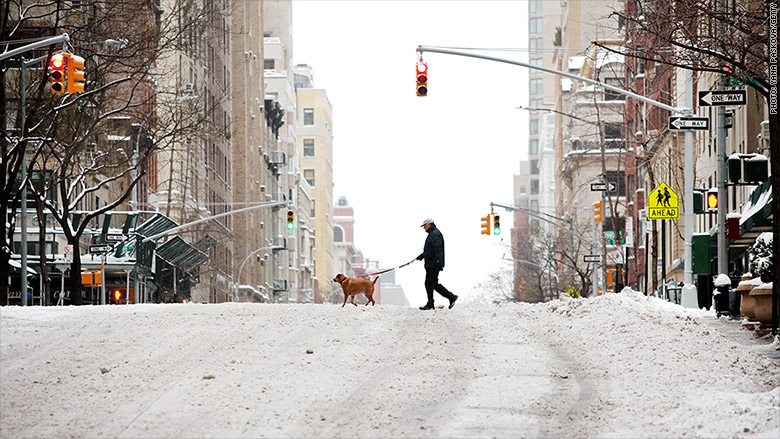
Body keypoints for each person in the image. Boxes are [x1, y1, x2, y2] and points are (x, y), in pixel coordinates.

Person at [416, 218, 458, 310]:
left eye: (424, 226)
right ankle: (450, 297)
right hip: (432, 263)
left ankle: (431, 304)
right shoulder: (433, 234)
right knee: (432, 283)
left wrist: (439, 262)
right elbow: (430, 250)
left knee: (429, 283)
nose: (424, 228)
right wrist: (422, 256)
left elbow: (438, 249)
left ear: (429, 224)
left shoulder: (435, 234)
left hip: (433, 264)